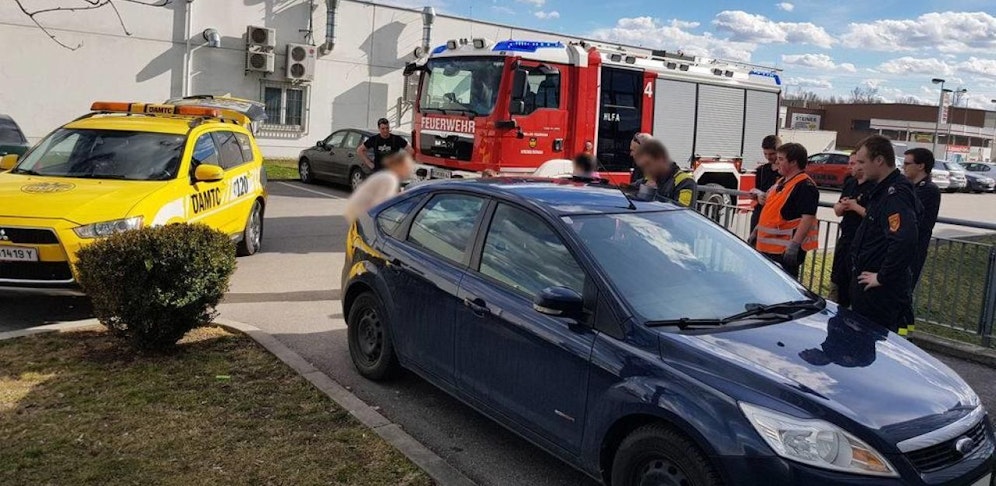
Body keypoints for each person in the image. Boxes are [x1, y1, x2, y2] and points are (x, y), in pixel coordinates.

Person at [849, 135, 921, 336]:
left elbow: (903, 240)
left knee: (874, 345)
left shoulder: (894, 195)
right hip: (869, 286)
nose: (859, 167)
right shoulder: (881, 191)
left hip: (881, 293)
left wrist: (882, 277)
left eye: (863, 162)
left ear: (879, 160)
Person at [752, 143, 820, 279]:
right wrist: (756, 231)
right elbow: (770, 211)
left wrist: (794, 245)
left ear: (794, 162)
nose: (777, 162)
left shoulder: (805, 186)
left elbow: (807, 218)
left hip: (783, 252)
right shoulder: (782, 182)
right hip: (767, 249)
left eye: (781, 159)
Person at [829, 153, 872, 307]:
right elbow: (838, 208)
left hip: (862, 242)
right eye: (850, 163)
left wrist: (855, 206)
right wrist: (841, 206)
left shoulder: (873, 186)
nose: (850, 166)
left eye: (855, 163)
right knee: (838, 280)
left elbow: (874, 217)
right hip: (845, 239)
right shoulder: (850, 182)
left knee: (855, 284)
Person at [903, 148, 941, 289]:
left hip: (913, 250)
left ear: (920, 166)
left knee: (901, 295)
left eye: (907, 164)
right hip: (902, 248)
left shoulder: (928, 190)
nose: (903, 167)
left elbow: (907, 215)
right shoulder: (910, 187)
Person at [344, 150, 415, 223]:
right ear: (398, 165)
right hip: (360, 215)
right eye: (408, 165)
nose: (410, 168)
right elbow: (380, 204)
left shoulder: (387, 176)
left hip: (357, 212)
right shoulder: (389, 179)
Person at [631, 139, 697, 207]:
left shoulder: (685, 182)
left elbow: (682, 212)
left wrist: (652, 193)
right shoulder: (650, 178)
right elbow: (628, 191)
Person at [749, 135, 782, 232]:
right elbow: (758, 189)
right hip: (759, 214)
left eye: (772, 154)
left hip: (775, 217)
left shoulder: (785, 171)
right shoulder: (762, 170)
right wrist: (757, 195)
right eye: (765, 154)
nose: (768, 157)